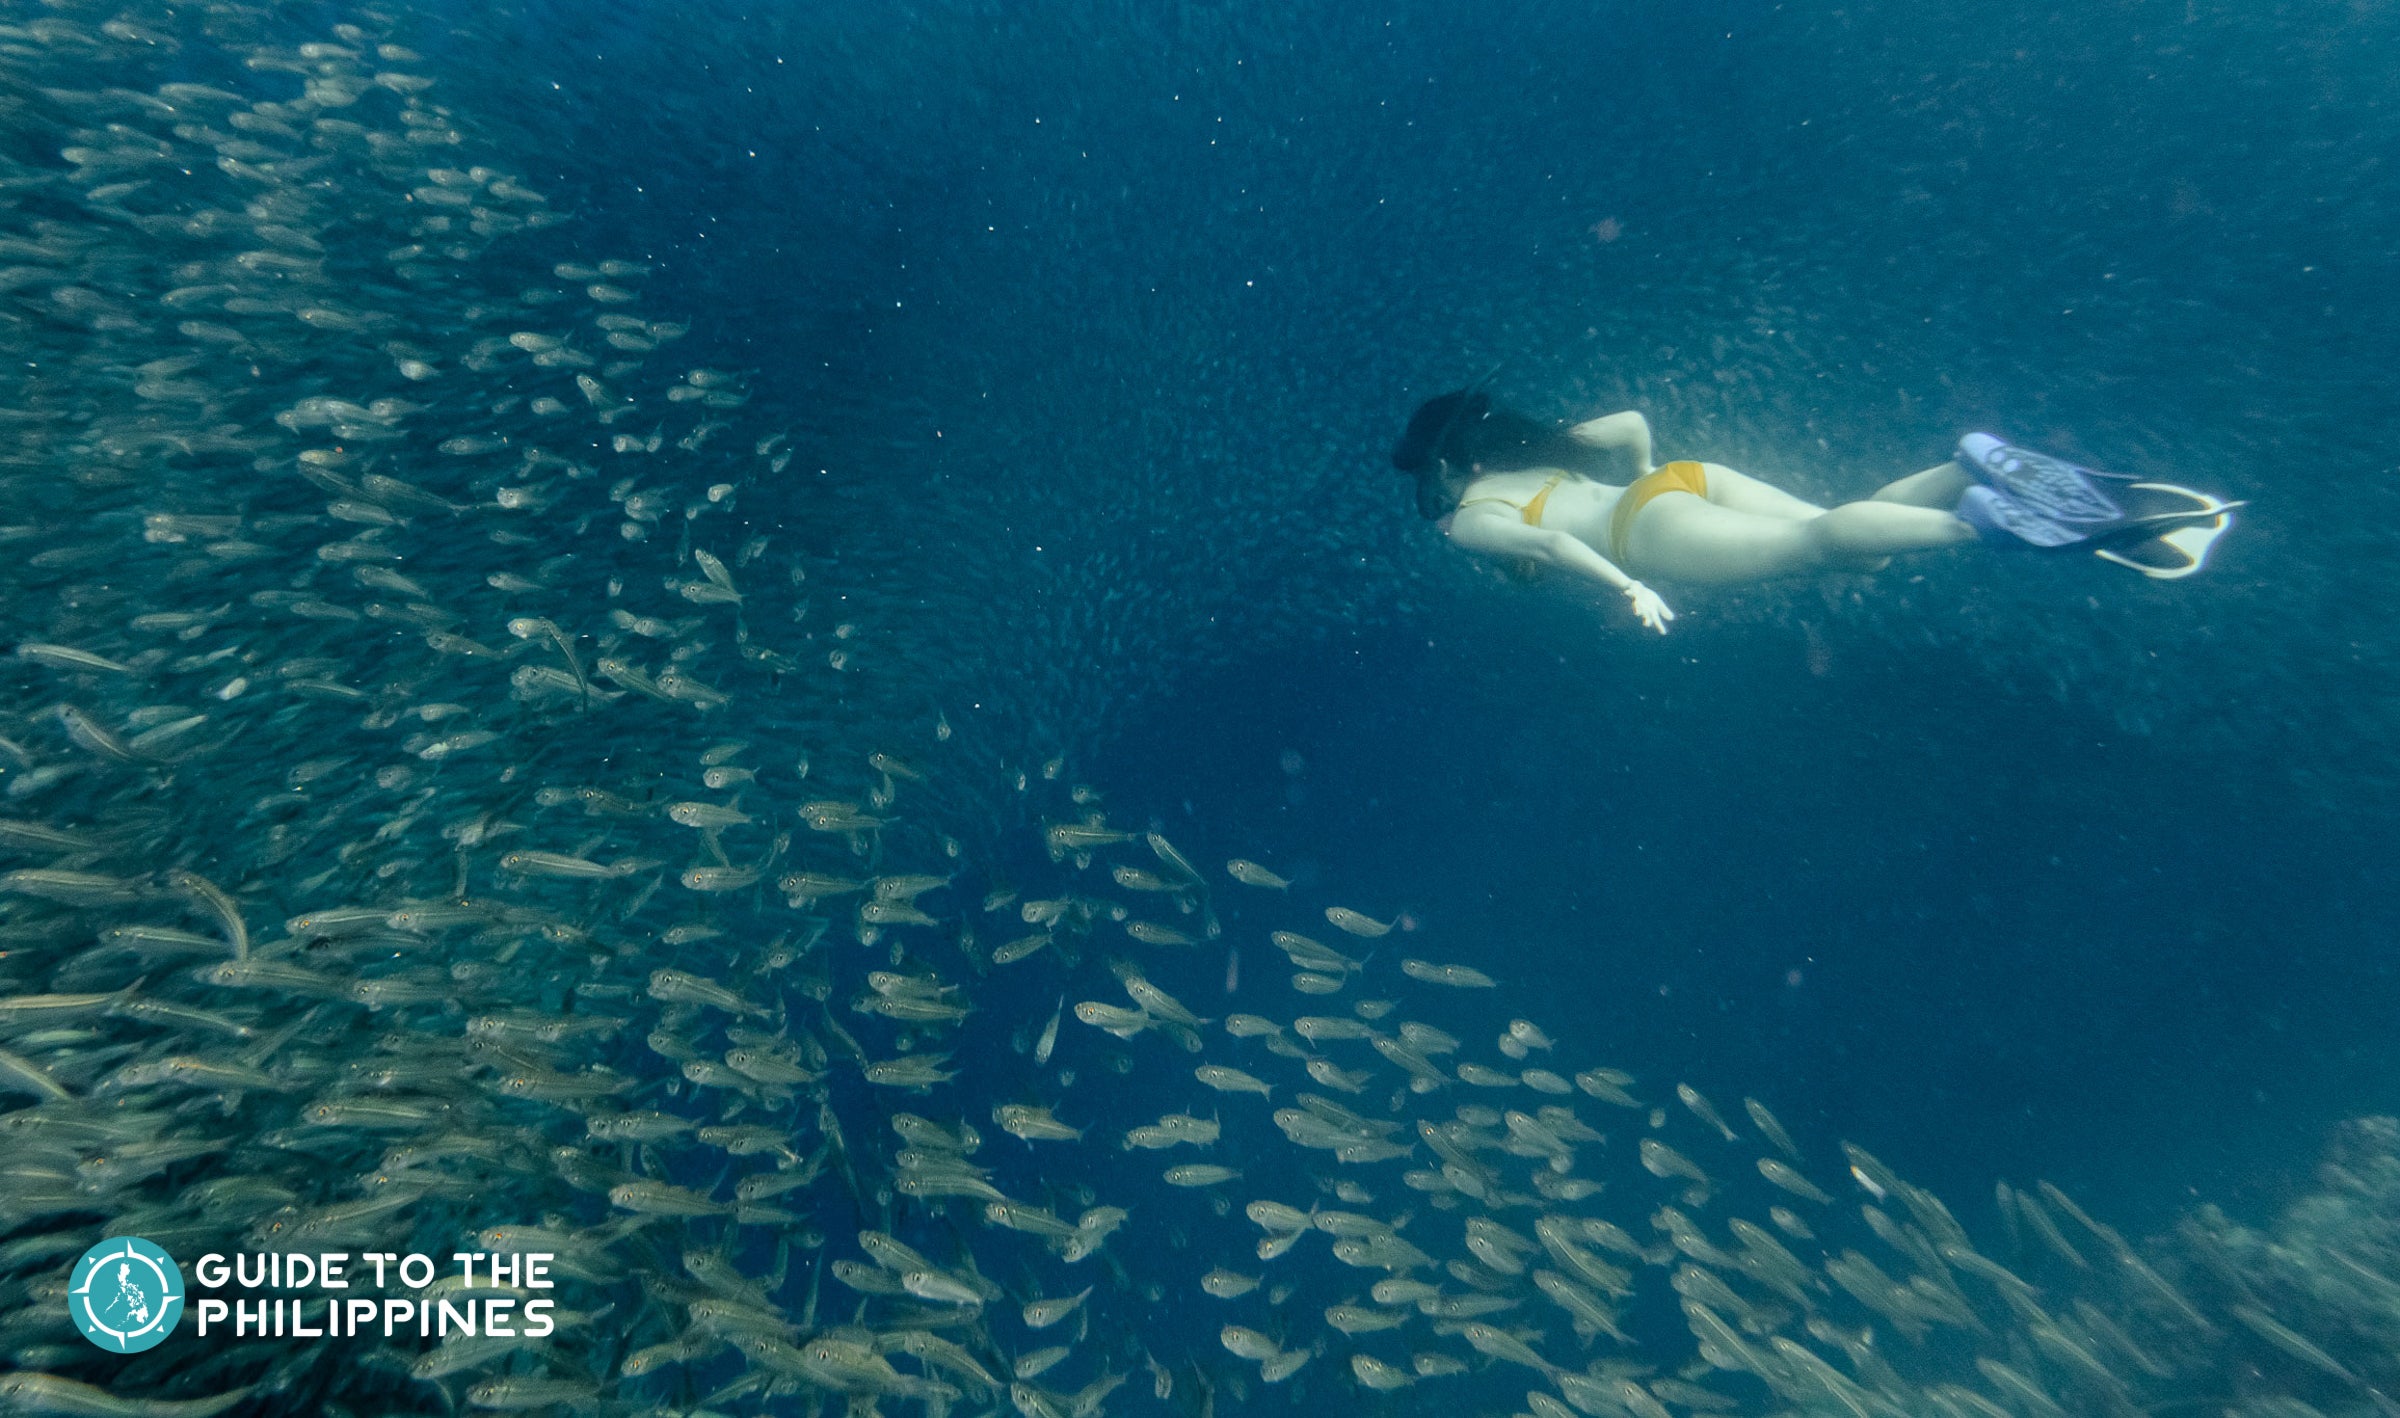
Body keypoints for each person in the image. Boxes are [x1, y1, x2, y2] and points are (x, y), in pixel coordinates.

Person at [1391, 390, 2240, 634]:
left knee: (1818, 544)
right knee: (1856, 536)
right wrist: (1649, 474)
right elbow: (1632, 425)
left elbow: (1541, 539)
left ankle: (1984, 517)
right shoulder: (1535, 453)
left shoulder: (1466, 518)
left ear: (1442, 467)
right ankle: (1963, 462)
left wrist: (1625, 586)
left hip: (1646, 535)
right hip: (1683, 481)